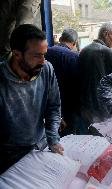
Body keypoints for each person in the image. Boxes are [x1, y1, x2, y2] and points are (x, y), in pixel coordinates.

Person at [0, 24, 63, 174]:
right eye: (36, 55)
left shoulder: (46, 69)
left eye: (44, 54)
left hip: (40, 147)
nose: (43, 61)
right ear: (17, 54)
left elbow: (53, 107)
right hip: (9, 157)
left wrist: (53, 138)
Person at [77, 23, 112, 135]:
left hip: (84, 104)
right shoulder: (104, 51)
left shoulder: (84, 50)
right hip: (100, 106)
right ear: (106, 34)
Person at [45, 28, 80, 136]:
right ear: (74, 43)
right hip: (67, 107)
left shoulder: (45, 53)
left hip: (47, 104)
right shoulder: (73, 57)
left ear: (60, 39)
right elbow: (76, 85)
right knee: (67, 139)